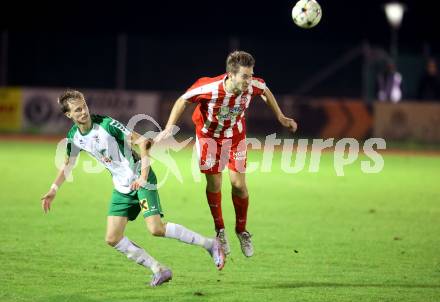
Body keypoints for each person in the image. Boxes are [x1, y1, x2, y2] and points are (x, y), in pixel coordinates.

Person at [40, 90, 225, 287]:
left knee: (156, 228)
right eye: (78, 110)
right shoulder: (74, 136)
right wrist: (53, 189)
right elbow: (68, 164)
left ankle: (210, 244)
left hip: (140, 176)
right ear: (69, 115)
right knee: (112, 238)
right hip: (122, 186)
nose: (84, 112)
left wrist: (143, 176)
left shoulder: (106, 125)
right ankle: (159, 270)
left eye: (84, 106)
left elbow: (143, 142)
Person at [155, 51, 297, 257]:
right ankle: (220, 230)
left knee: (239, 185)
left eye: (251, 75)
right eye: (245, 77)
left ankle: (241, 230)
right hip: (208, 137)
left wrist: (281, 117)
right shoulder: (208, 87)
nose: (250, 81)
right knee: (215, 184)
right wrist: (169, 127)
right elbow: (182, 100)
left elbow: (265, 91)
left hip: (235, 137)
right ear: (231, 75)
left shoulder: (253, 85)